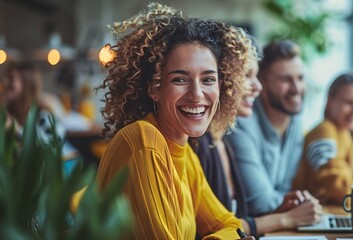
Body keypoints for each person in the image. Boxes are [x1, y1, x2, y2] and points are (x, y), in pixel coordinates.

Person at [95, 3, 255, 239]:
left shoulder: (184, 152)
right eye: (180, 79)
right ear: (154, 87)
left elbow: (229, 223)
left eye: (208, 79)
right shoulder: (144, 141)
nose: (197, 94)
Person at [192, 37, 322, 237]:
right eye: (247, 75)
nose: (296, 88)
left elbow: (231, 219)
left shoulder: (219, 141)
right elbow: (227, 223)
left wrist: (286, 206)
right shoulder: (221, 134)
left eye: (300, 78)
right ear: (224, 79)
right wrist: (287, 217)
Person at [226, 40, 317, 216]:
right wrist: (297, 204)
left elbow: (285, 188)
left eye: (300, 78)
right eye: (286, 79)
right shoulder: (241, 123)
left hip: (278, 224)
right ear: (263, 82)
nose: (296, 88)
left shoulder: (295, 118)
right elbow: (260, 203)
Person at [293, 73, 353, 204]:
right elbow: (343, 191)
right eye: (349, 102)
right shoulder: (325, 131)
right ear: (331, 101)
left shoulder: (345, 135)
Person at [2, 61, 80, 176]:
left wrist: (16, 129)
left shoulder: (44, 114)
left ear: (26, 83)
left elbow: (47, 148)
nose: (5, 82)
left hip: (62, 175)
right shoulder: (8, 113)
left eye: (11, 78)